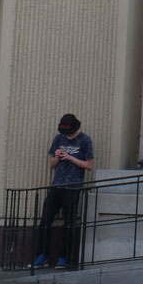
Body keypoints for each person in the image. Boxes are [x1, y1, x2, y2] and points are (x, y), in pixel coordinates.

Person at [31, 113, 93, 269]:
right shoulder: (59, 139)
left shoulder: (85, 140)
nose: (66, 133)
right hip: (57, 185)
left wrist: (70, 157)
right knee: (45, 219)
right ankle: (42, 255)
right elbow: (51, 164)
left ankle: (63, 257)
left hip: (73, 187)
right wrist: (58, 157)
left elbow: (89, 165)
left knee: (69, 223)